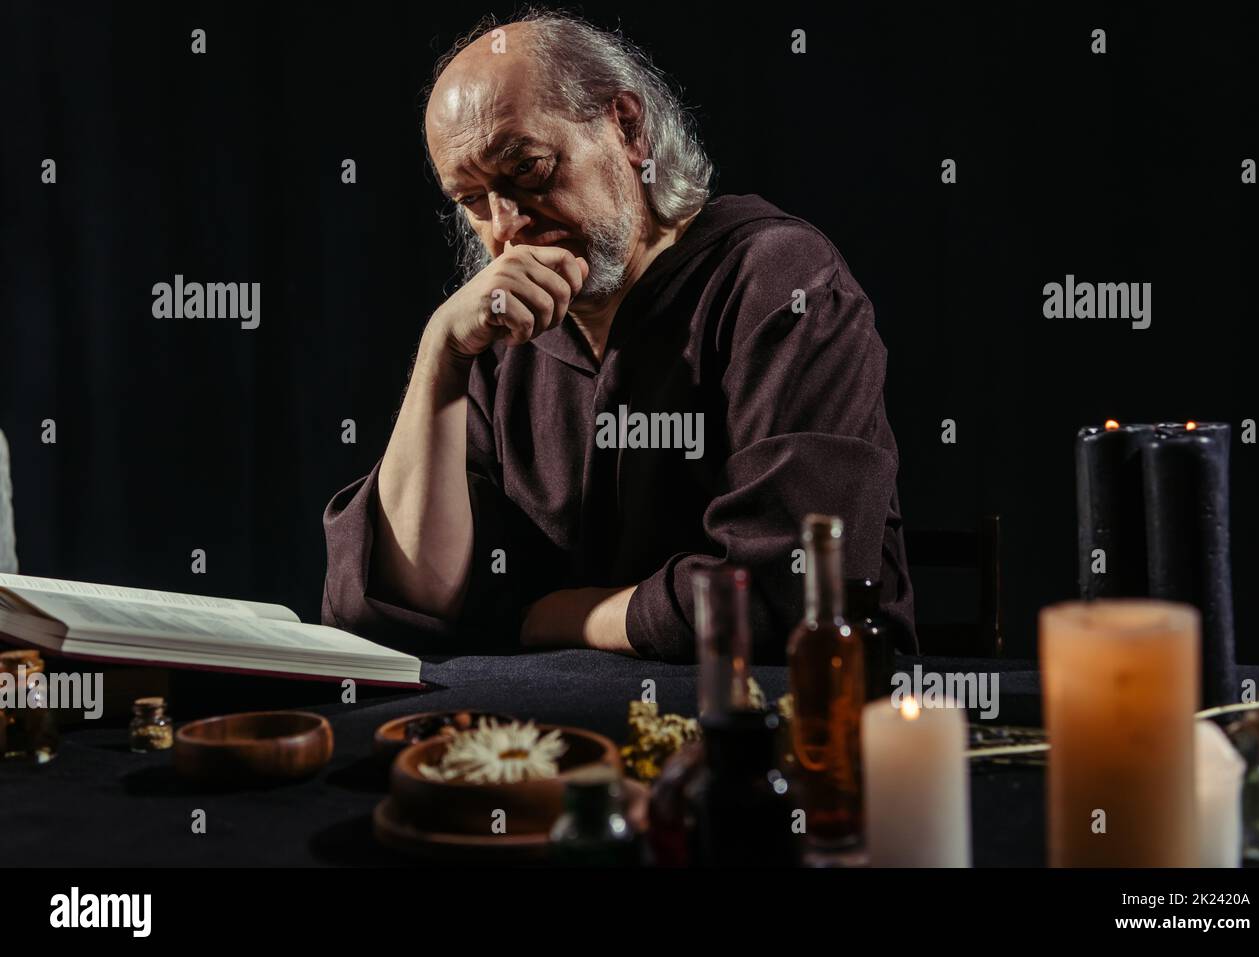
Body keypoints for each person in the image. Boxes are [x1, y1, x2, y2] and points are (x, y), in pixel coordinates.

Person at [322, 10, 915, 662]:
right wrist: (441, 352)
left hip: (772, 730)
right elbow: (407, 603)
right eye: (471, 200)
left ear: (627, 127)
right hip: (555, 744)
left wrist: (561, 616)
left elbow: (790, 589)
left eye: (528, 169)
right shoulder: (497, 338)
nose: (506, 226)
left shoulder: (781, 282)